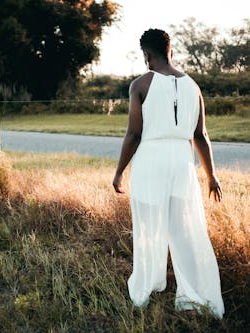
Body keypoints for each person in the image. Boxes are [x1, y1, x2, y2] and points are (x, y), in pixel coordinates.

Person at [112, 29, 224, 318]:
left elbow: (134, 133)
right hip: (182, 162)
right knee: (186, 230)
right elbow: (201, 135)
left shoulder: (140, 84)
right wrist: (211, 176)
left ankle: (147, 286)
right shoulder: (193, 86)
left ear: (147, 54)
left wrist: (119, 172)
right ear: (170, 50)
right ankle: (196, 294)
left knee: (149, 225)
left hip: (151, 160)